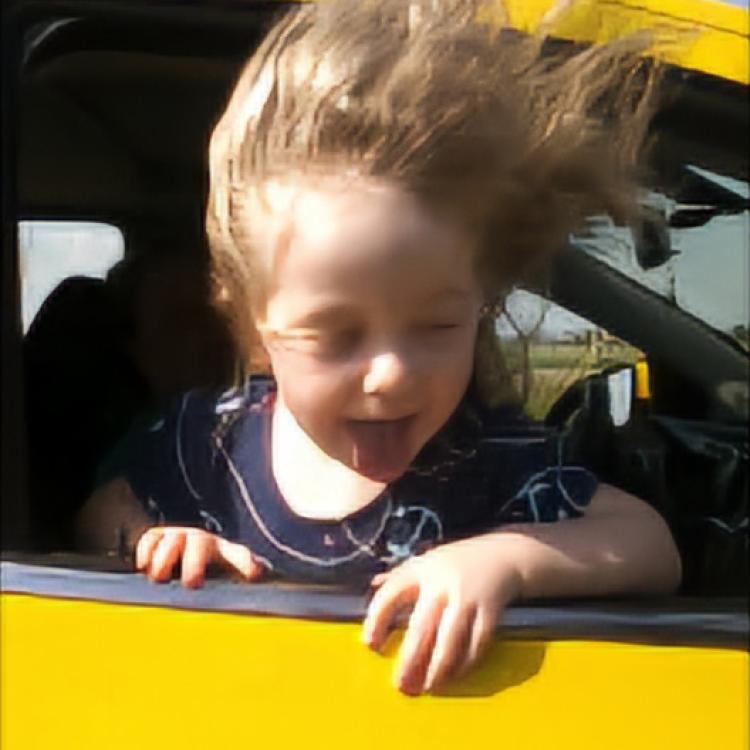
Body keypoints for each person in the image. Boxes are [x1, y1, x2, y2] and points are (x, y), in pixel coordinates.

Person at [76, 0, 682, 696]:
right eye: (336, 336)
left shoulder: (489, 461)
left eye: (437, 328)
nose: (391, 375)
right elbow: (104, 506)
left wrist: (506, 562)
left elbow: (649, 543)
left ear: (479, 307)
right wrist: (156, 543)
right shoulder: (207, 440)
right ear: (256, 330)